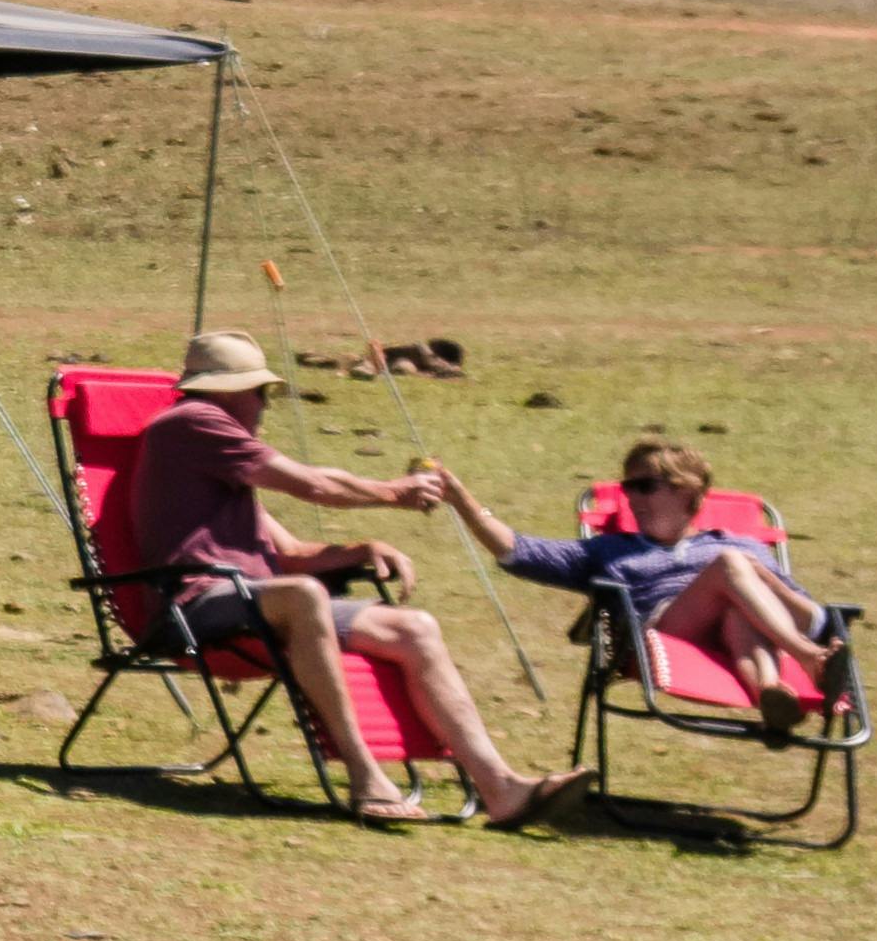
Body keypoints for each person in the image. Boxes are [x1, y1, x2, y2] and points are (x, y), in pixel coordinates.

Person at [117, 331, 561, 827]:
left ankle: (501, 788)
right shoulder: (192, 423)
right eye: (261, 391)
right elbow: (313, 484)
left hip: (257, 603)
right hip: (193, 607)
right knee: (304, 596)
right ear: (228, 390)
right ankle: (364, 773)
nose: (266, 404)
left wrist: (361, 550)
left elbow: (286, 553)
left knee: (414, 627)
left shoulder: (217, 458)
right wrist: (394, 492)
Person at [440, 438, 846, 740]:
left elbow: (811, 616)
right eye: (628, 486)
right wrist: (461, 500)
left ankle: (772, 696)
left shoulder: (740, 544)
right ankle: (810, 662)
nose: (631, 497)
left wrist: (765, 578)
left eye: (645, 486)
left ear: (686, 491)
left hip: (741, 629)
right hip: (659, 636)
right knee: (728, 569)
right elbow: (518, 550)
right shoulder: (611, 549)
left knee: (737, 603)